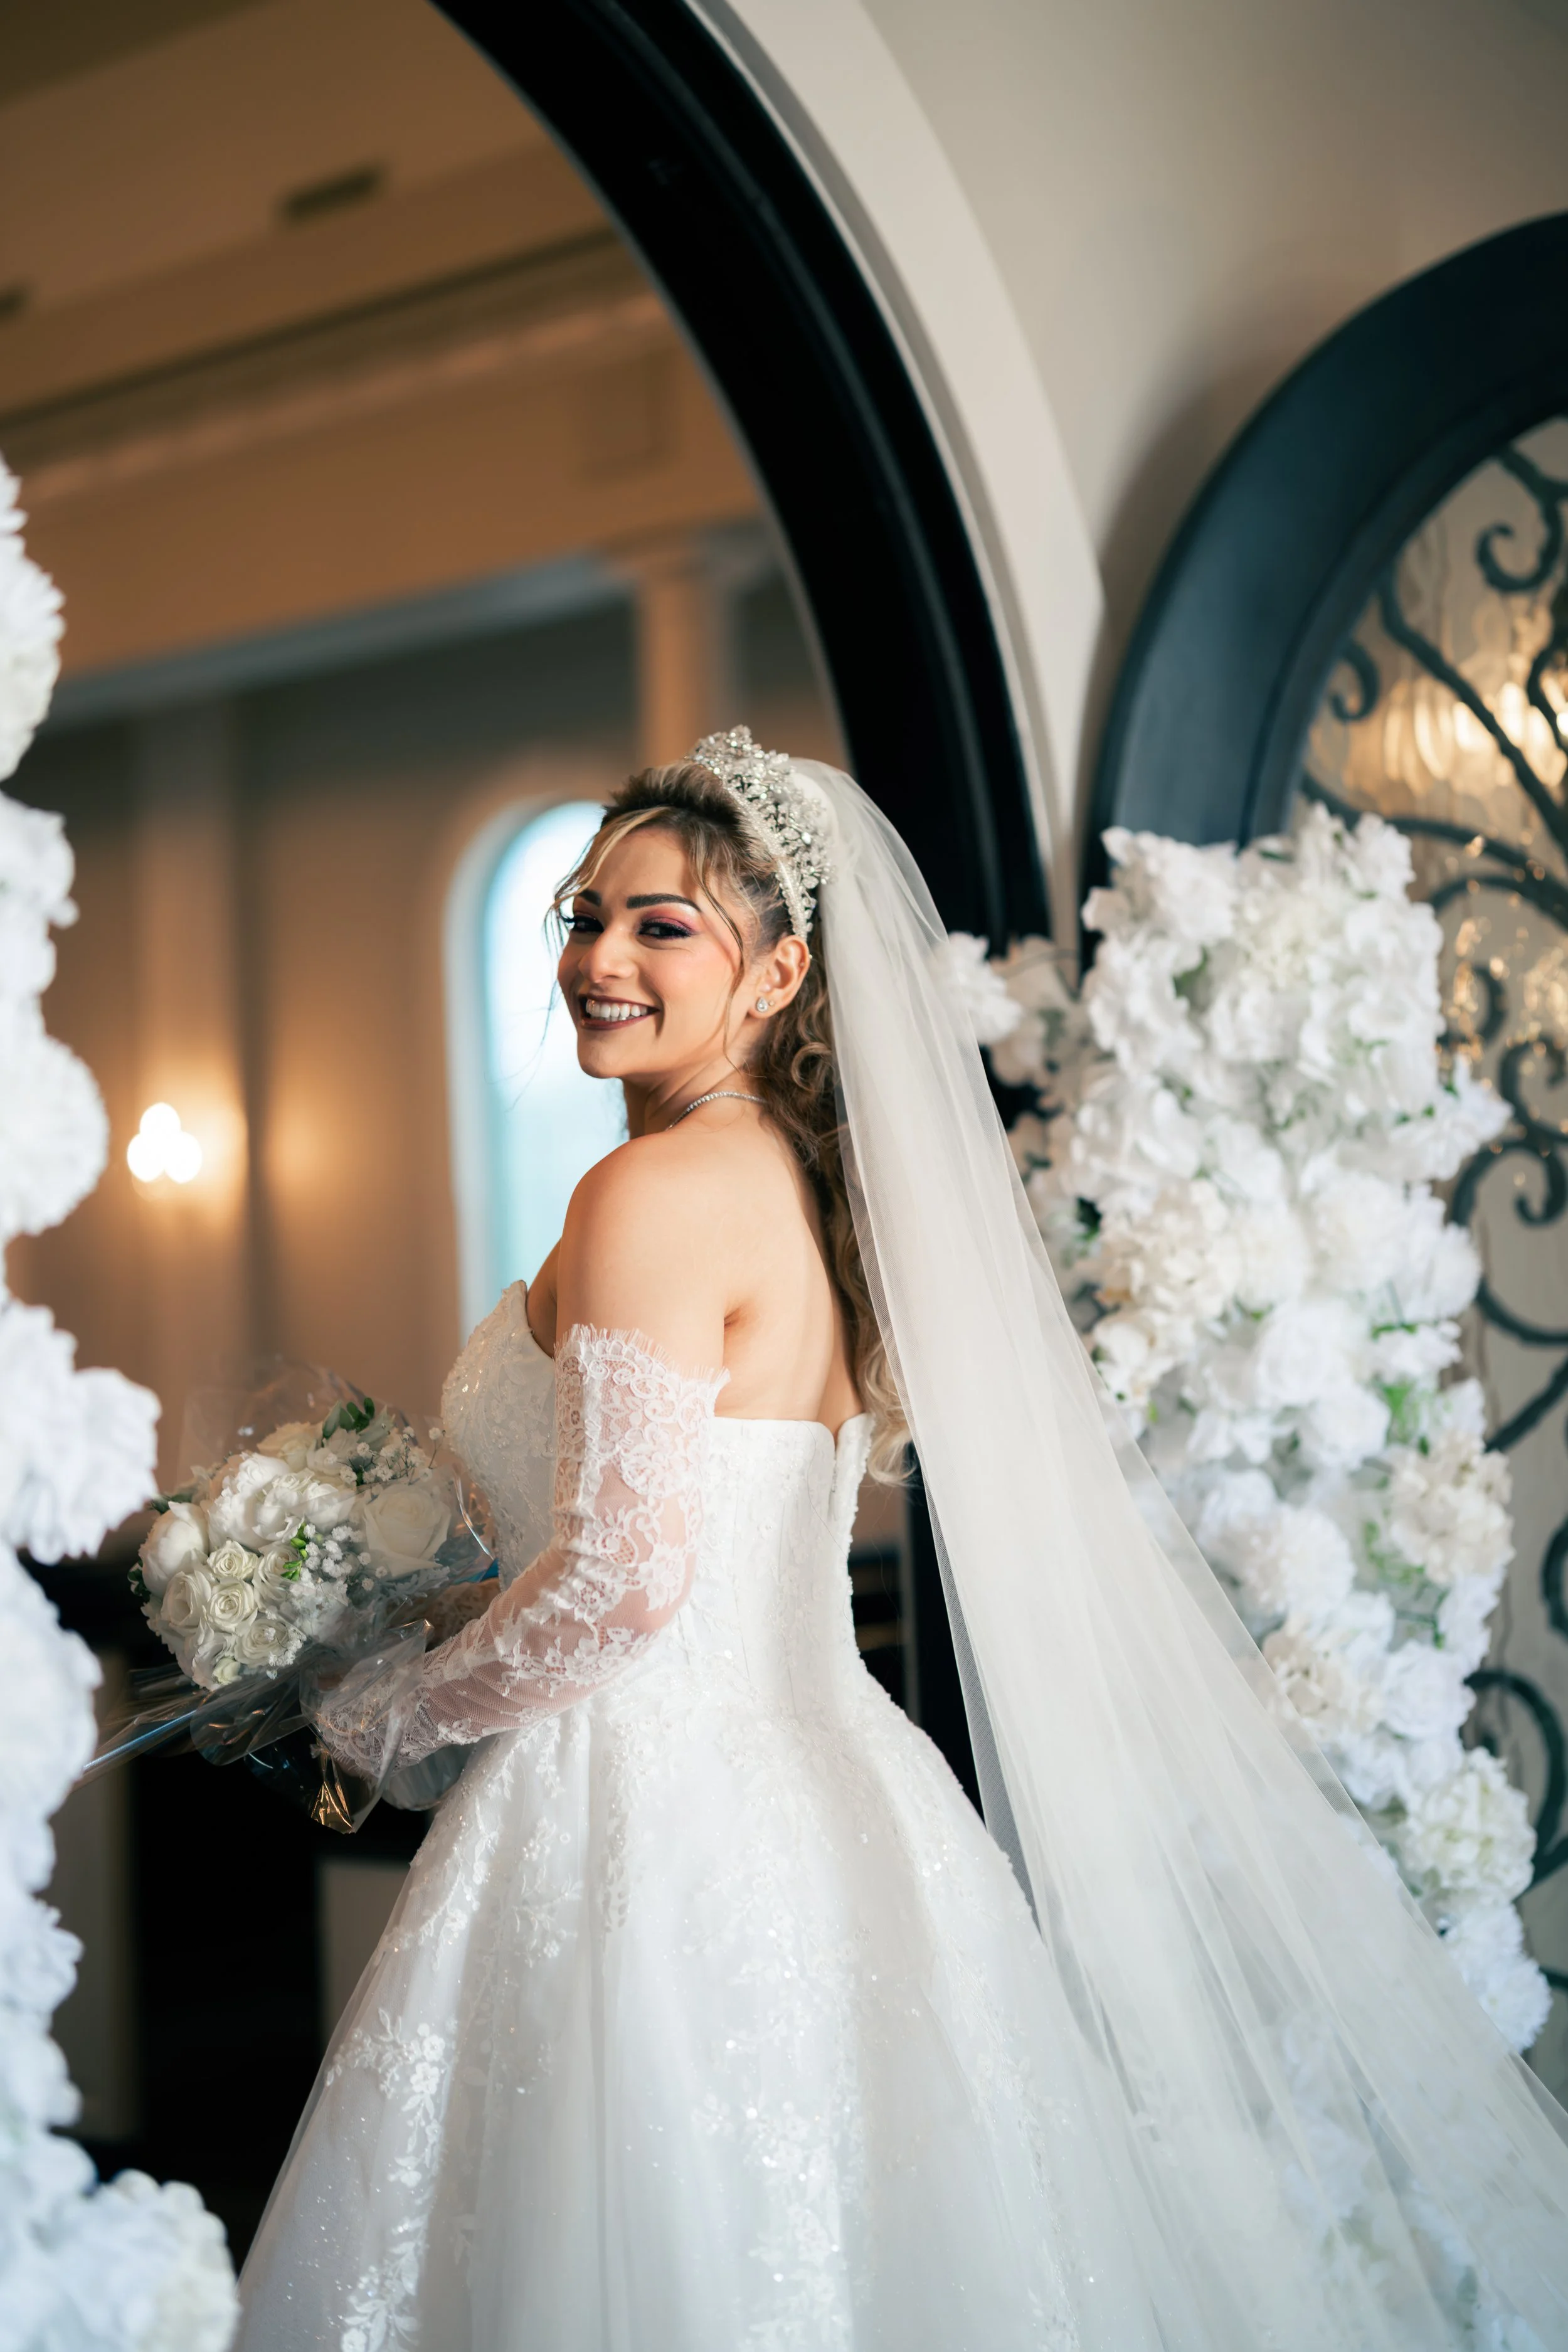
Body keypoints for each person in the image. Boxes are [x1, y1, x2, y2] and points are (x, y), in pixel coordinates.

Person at [236, 731, 1568, 2350]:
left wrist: (397, 1711)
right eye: (584, 915)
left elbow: (626, 1579)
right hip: (835, 1798)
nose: (597, 956)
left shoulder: (649, 1194)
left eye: (662, 925)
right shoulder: (803, 1192)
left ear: (778, 970)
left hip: (639, 1816)